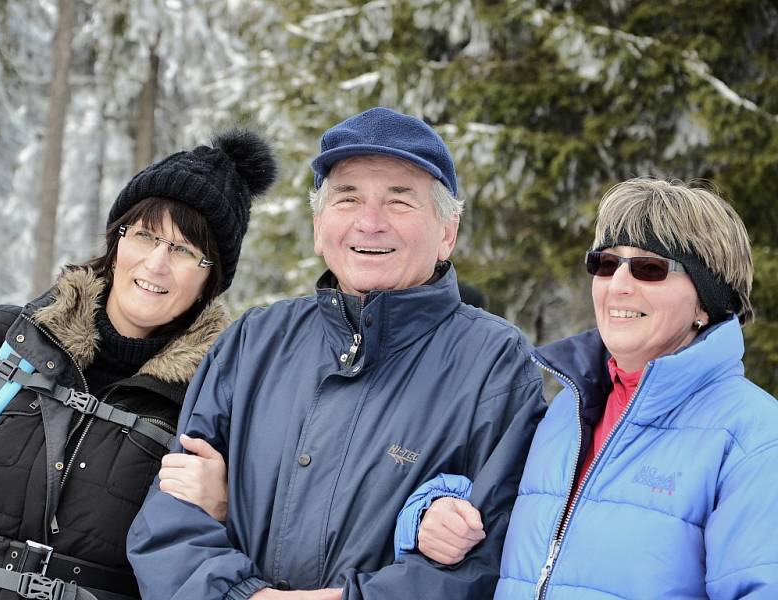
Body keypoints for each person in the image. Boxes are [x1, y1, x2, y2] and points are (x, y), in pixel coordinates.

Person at [126, 107, 546, 600]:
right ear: (319, 226)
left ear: (447, 233)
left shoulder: (493, 363)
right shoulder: (255, 340)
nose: (370, 223)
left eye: (399, 201)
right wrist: (242, 596)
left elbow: (497, 551)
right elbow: (170, 519)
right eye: (348, 198)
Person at [396, 178, 778, 598]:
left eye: (650, 269)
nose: (619, 285)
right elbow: (486, 499)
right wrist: (428, 514)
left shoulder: (753, 437)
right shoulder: (568, 410)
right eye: (607, 263)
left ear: (707, 301)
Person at [0, 129, 277, 599]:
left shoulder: (215, 404)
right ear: (117, 243)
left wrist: (226, 507)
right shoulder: (1, 337)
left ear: (210, 280)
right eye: (145, 235)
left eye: (184, 250)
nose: (157, 263)